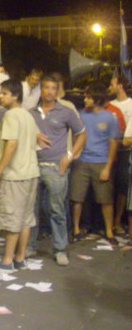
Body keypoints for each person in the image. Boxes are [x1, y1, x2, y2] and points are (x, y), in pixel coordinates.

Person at [27, 75, 86, 266]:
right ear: (41, 90)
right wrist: (33, 134)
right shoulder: (31, 112)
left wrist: (70, 155)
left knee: (57, 210)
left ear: (57, 90)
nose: (50, 92)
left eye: (54, 88)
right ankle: (29, 246)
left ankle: (60, 249)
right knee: (32, 210)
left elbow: (82, 133)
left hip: (55, 167)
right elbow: (21, 133)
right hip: (33, 166)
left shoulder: (66, 112)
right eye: (46, 88)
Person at [0, 79, 40, 273]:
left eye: (5, 93)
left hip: (15, 174)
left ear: (16, 95)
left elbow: (11, 144)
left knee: (13, 219)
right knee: (26, 218)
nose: (1, 96)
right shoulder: (28, 116)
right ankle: (20, 257)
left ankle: (7, 260)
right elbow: (36, 139)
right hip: (32, 173)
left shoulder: (11, 116)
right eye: (1, 93)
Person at [70, 83, 119, 246]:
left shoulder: (110, 117)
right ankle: (76, 229)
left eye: (88, 96)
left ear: (96, 99)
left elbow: (113, 143)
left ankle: (109, 231)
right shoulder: (81, 115)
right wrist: (73, 156)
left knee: (106, 199)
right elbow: (76, 137)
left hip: (101, 161)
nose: (85, 99)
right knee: (77, 197)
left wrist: (108, 167)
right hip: (82, 161)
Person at [107, 75, 132, 235]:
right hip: (111, 150)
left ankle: (117, 221)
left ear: (120, 86)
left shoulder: (130, 104)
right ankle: (109, 222)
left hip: (125, 151)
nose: (110, 87)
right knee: (109, 186)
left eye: (112, 84)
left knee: (123, 188)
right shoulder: (110, 105)